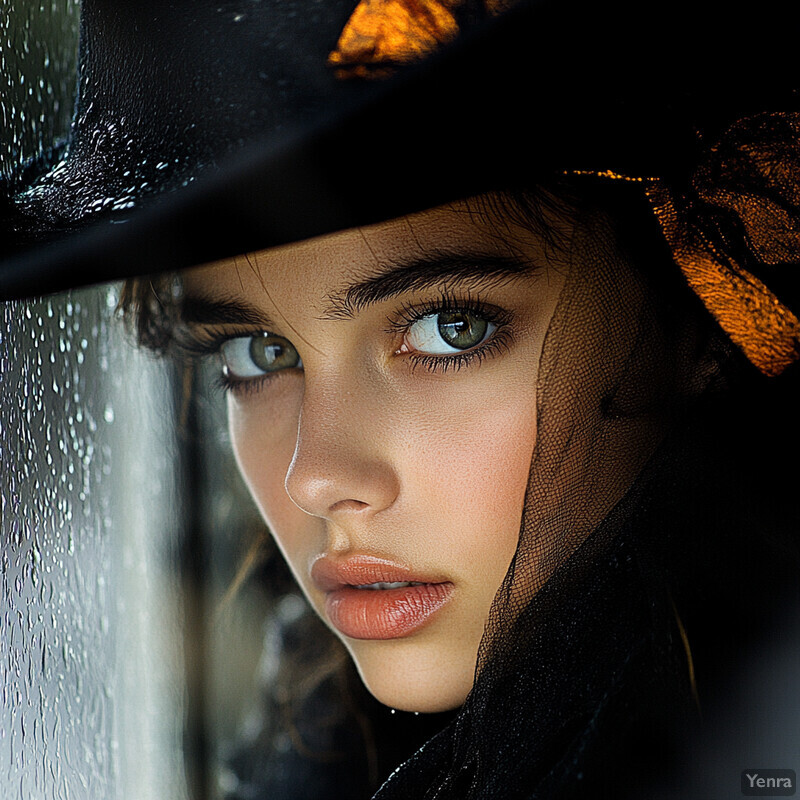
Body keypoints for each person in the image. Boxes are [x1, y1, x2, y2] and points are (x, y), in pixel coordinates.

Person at [2, 1, 798, 798]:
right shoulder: (328, 744)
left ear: (700, 310)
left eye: (451, 330)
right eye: (258, 353)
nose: (314, 478)